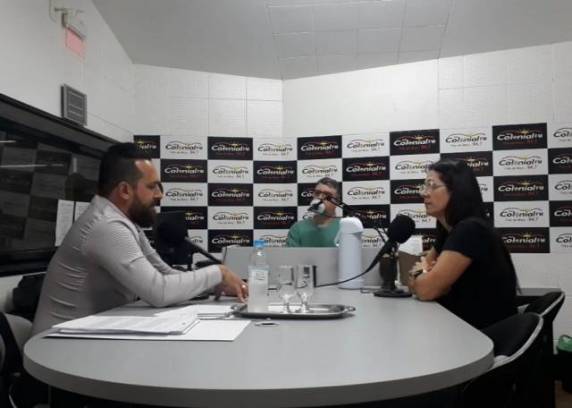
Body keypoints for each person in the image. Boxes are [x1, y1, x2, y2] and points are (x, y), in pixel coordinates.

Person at [32, 143, 247, 335]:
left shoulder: (124, 221)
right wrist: (219, 272)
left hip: (87, 336)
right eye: (152, 186)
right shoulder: (106, 225)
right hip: (58, 348)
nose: (160, 194)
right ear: (125, 190)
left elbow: (165, 273)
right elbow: (159, 291)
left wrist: (216, 285)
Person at [408, 159, 518, 329]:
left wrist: (425, 275)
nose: (424, 193)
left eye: (432, 186)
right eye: (425, 186)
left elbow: (425, 289)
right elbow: (414, 280)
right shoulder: (447, 230)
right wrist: (425, 274)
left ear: (456, 190)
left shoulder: (469, 229)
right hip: (460, 328)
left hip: (483, 335)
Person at [286, 177, 341, 247]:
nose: (320, 197)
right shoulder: (298, 229)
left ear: (337, 201)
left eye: (327, 195)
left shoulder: (345, 228)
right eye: (317, 193)